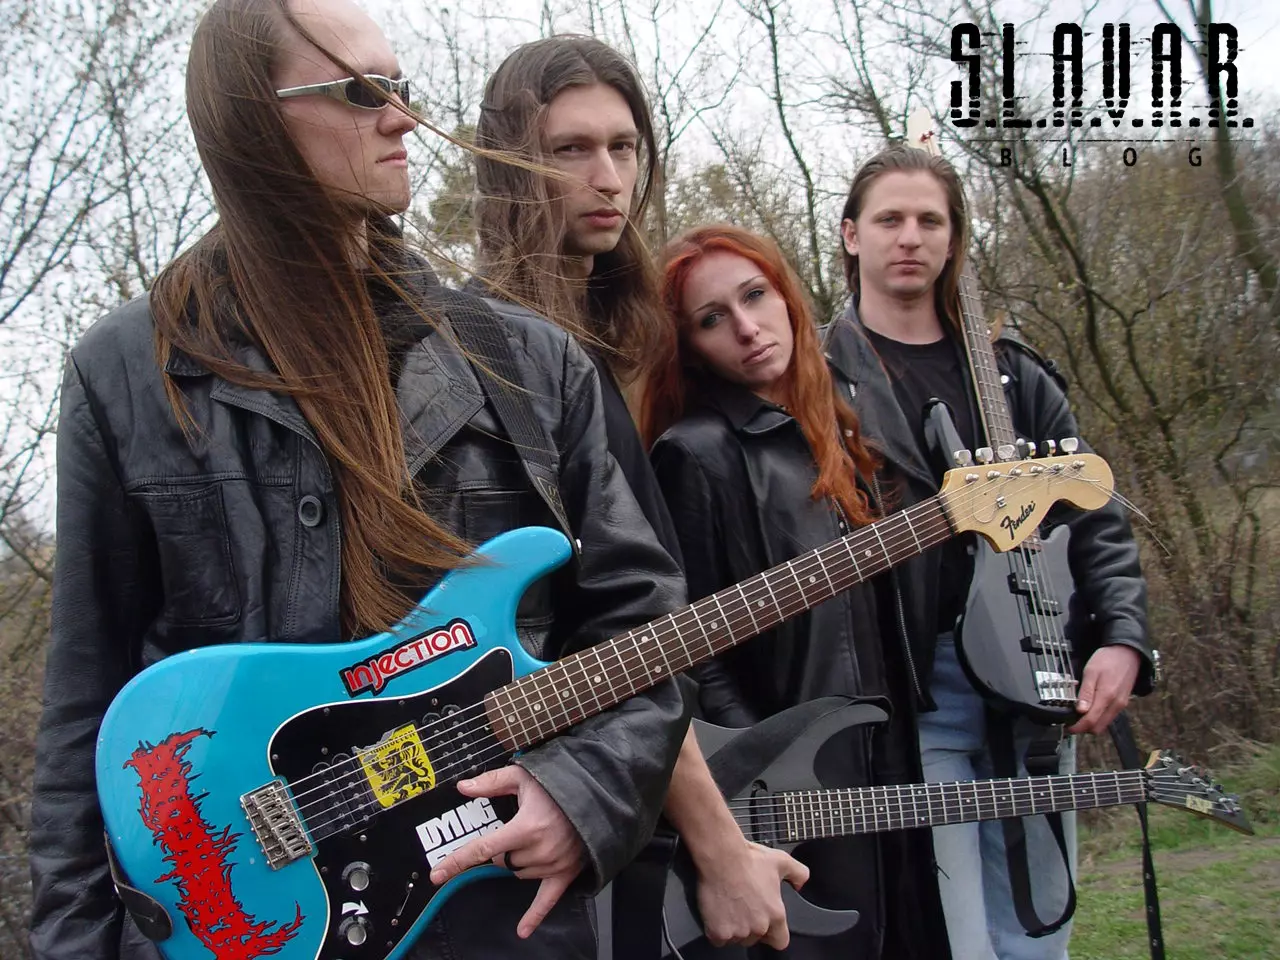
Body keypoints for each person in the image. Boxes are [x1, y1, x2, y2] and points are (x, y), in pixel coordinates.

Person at [27, 2, 690, 958]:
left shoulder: (530, 365)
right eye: (361, 90)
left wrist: (585, 792)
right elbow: (82, 708)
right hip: (242, 917)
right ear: (253, 120)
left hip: (488, 912)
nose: (403, 117)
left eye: (400, 86)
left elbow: (645, 624)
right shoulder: (128, 371)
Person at [465, 37, 808, 956]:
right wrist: (719, 845)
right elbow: (612, 637)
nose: (608, 177)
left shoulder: (617, 344)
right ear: (508, 166)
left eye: (624, 146)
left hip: (626, 789)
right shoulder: (488, 356)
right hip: (544, 811)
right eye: (570, 150)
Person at [825, 145, 1156, 959]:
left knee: (1039, 934)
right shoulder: (817, 382)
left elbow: (1096, 521)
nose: (911, 236)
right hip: (913, 692)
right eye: (890, 219)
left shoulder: (1013, 378)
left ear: (954, 239)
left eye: (929, 220)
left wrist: (1122, 639)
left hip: (1034, 675)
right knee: (955, 940)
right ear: (851, 235)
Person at [640, 223, 952, 960]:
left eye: (755, 296)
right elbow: (686, 649)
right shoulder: (695, 454)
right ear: (688, 347)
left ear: (786, 295)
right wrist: (766, 761)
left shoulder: (847, 431)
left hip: (890, 763)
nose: (747, 329)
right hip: (790, 789)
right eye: (712, 319)